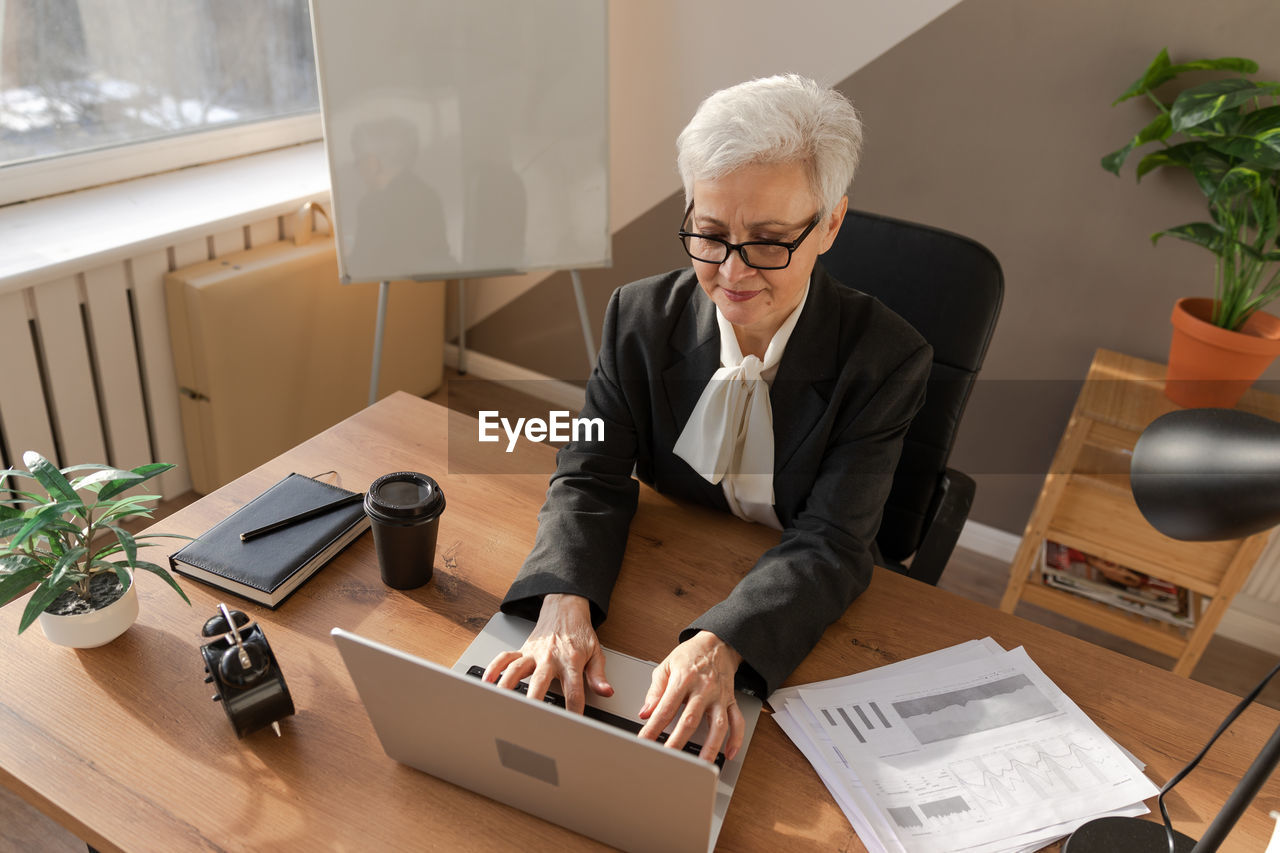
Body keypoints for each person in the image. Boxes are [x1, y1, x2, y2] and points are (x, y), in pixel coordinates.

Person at [482, 74, 931, 764]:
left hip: (793, 614)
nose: (731, 270)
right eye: (709, 233)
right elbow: (590, 471)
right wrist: (563, 597)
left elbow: (834, 541)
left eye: (769, 241)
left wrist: (725, 639)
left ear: (831, 224)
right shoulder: (637, 319)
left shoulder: (887, 358)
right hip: (675, 564)